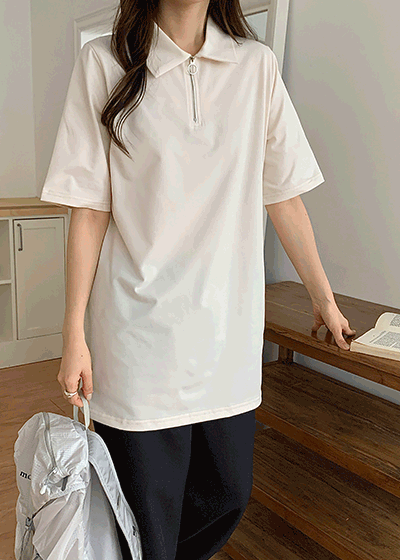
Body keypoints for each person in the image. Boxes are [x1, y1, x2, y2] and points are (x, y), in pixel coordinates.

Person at [40, 0, 356, 558]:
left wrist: (324, 300)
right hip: (136, 341)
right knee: (146, 522)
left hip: (226, 341)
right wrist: (73, 334)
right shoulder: (104, 63)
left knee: (228, 495)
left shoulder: (255, 66)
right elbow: (89, 210)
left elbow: (283, 195)